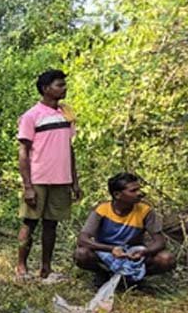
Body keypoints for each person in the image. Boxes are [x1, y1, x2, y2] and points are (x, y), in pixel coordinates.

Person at [16, 69, 81, 283]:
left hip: (61, 179)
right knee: (30, 223)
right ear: (45, 89)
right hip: (38, 178)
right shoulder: (31, 116)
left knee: (51, 224)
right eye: (59, 85)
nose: (64, 88)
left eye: (64, 84)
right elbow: (23, 152)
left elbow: (69, 149)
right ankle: (21, 267)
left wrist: (74, 181)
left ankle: (46, 268)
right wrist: (28, 186)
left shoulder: (66, 114)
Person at [74, 173, 175, 286]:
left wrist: (144, 252)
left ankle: (133, 278)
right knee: (81, 254)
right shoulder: (102, 210)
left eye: (139, 189)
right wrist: (111, 249)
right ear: (117, 195)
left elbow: (160, 241)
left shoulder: (145, 211)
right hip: (105, 253)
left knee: (166, 259)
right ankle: (103, 273)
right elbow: (82, 239)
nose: (139, 193)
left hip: (132, 254)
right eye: (133, 191)